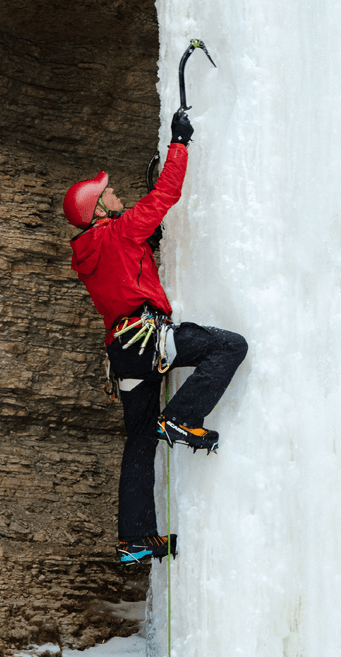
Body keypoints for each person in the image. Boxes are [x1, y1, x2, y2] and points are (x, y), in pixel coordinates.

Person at [64, 112, 248, 564]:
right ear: (99, 209)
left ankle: (135, 540)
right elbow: (166, 193)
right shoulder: (120, 231)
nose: (114, 191)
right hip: (147, 340)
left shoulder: (94, 249)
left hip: (123, 355)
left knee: (140, 440)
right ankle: (184, 417)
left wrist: (145, 243)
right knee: (229, 345)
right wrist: (179, 143)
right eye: (107, 192)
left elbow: (126, 265)